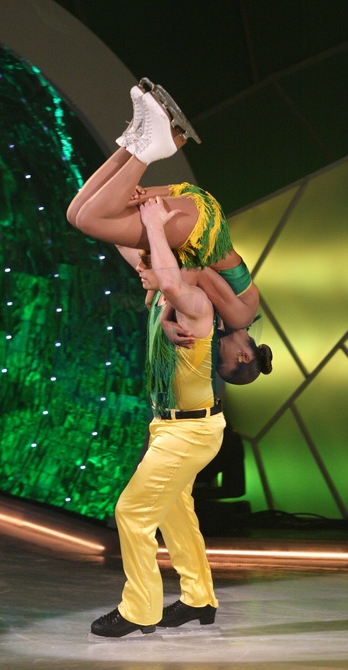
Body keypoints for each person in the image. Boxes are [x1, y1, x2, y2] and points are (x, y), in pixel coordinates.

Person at [66, 79, 272, 380]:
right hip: (200, 233)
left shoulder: (223, 320)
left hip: (195, 223)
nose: (213, 356)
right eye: (221, 362)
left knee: (78, 215)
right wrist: (164, 315)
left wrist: (157, 290)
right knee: (92, 221)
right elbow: (197, 270)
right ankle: (154, 144)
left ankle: (135, 138)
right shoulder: (240, 317)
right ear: (243, 355)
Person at [90, 195, 226, 638]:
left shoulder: (194, 302)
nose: (140, 267)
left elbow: (168, 278)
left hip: (191, 431)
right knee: (175, 512)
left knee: (131, 511)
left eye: (149, 260)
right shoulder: (161, 298)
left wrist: (154, 224)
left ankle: (140, 609)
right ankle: (199, 598)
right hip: (171, 427)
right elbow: (123, 243)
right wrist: (128, 204)